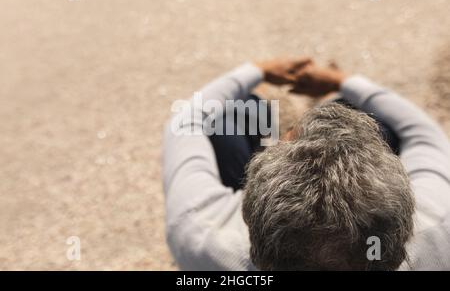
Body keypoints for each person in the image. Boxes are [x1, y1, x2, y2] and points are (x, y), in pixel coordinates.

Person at [162, 57, 450, 270]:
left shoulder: (205, 237)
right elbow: (425, 134)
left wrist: (256, 71)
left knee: (228, 117)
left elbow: (185, 123)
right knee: (369, 119)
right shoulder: (436, 230)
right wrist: (343, 83)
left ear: (249, 211)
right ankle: (335, 102)